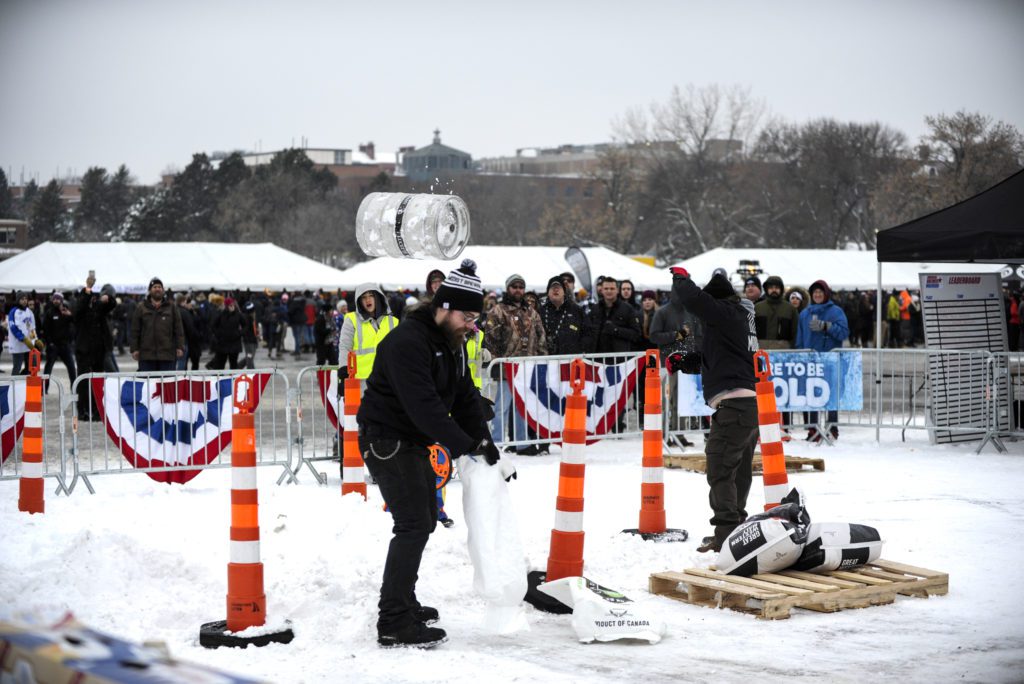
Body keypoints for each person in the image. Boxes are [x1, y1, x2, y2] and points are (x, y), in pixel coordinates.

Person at [357, 259, 502, 649]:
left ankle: (403, 601)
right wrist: (464, 446)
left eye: (476, 317)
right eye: (468, 316)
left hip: (411, 441)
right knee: (413, 524)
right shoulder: (409, 342)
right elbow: (425, 406)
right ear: (444, 307)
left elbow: (466, 395)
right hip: (386, 440)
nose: (473, 325)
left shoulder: (450, 343)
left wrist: (485, 444)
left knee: (423, 521)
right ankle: (394, 621)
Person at [667, 267, 759, 554]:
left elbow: (694, 300)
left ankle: (726, 534)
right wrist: (685, 361)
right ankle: (735, 531)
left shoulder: (726, 312)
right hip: (744, 406)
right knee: (738, 472)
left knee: (720, 468)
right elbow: (714, 359)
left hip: (733, 407)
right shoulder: (735, 322)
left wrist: (681, 279)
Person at [482, 274, 547, 453]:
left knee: (523, 408)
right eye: (514, 286)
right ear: (508, 288)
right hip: (505, 368)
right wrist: (496, 363)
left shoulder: (532, 312)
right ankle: (496, 443)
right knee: (501, 407)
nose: (518, 290)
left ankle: (523, 443)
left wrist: (542, 361)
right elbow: (490, 340)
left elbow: (541, 338)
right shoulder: (497, 310)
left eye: (521, 287)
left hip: (527, 368)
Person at [796, 279, 850, 443]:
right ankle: (813, 429)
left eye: (820, 292)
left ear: (826, 294)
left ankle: (832, 428)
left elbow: (843, 333)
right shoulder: (805, 313)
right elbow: (800, 337)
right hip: (811, 362)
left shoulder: (836, 312)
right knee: (812, 395)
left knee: (830, 395)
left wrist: (827, 326)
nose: (817, 295)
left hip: (830, 361)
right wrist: (800, 354)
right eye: (815, 292)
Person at [73, 276, 117, 419]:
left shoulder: (98, 308)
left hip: (99, 349)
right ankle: (82, 411)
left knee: (97, 381)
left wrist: (108, 298)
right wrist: (88, 288)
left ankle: (97, 410)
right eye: (89, 298)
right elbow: (79, 307)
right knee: (83, 381)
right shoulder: (80, 310)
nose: (92, 301)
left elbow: (111, 304)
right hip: (83, 349)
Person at [339, 283, 399, 381]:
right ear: (359, 301)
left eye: (371, 295)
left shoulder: (393, 321)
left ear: (378, 298)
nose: (368, 300)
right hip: (360, 379)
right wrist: (343, 370)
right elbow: (345, 347)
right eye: (364, 297)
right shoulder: (352, 320)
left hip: (387, 379)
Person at [130, 277, 184, 373]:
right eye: (155, 287)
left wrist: (180, 347)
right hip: (146, 356)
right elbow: (135, 330)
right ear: (150, 290)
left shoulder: (171, 307)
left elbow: (178, 329)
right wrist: (134, 349)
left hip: (167, 355)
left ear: (163, 290)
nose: (157, 289)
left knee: (167, 385)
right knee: (148, 385)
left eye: (159, 287)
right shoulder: (141, 307)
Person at [538, 275, 591, 356]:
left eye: (558, 287)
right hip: (546, 360)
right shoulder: (540, 312)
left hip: (571, 360)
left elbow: (588, 333)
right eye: (552, 287)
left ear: (564, 292)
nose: (555, 290)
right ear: (548, 293)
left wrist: (581, 349)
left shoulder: (576, 310)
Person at [588, 276, 641, 356]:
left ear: (617, 290)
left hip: (621, 360)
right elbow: (587, 331)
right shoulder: (595, 309)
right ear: (601, 290)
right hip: (598, 359)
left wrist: (616, 330)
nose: (609, 291)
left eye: (612, 288)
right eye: (606, 288)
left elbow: (636, 334)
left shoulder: (627, 309)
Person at [41, 292, 77, 392]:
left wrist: (70, 315)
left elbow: (75, 322)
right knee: (48, 368)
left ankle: (74, 388)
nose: (56, 300)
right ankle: (44, 389)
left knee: (71, 367)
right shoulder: (49, 313)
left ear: (61, 300)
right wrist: (50, 343)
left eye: (58, 299)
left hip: (65, 346)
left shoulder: (66, 311)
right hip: (53, 346)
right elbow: (46, 330)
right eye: (54, 299)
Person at [8, 291, 42, 375]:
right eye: (22, 299)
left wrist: (35, 339)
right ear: (18, 300)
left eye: (25, 299)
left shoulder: (29, 312)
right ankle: (13, 386)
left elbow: (31, 328)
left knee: (30, 368)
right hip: (17, 345)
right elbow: (13, 328)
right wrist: (23, 338)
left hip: (29, 345)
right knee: (17, 367)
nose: (24, 301)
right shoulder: (13, 312)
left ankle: (23, 384)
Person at [207, 297, 244, 370]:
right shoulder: (221, 315)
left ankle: (233, 379)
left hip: (234, 343)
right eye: (230, 305)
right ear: (227, 306)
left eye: (233, 305)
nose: (232, 307)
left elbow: (245, 325)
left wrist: (239, 333)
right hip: (223, 344)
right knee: (220, 364)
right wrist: (219, 334)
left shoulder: (238, 315)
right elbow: (213, 325)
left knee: (233, 364)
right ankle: (219, 379)